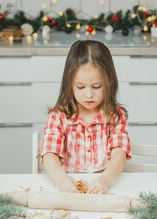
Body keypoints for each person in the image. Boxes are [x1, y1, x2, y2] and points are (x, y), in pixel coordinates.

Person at [41, 40, 131, 194]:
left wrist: (105, 179)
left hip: (105, 186)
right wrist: (61, 179)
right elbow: (49, 154)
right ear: (70, 83)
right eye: (80, 87)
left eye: (96, 86)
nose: (89, 94)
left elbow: (119, 152)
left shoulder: (115, 116)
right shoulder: (59, 116)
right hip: (70, 187)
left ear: (109, 81)